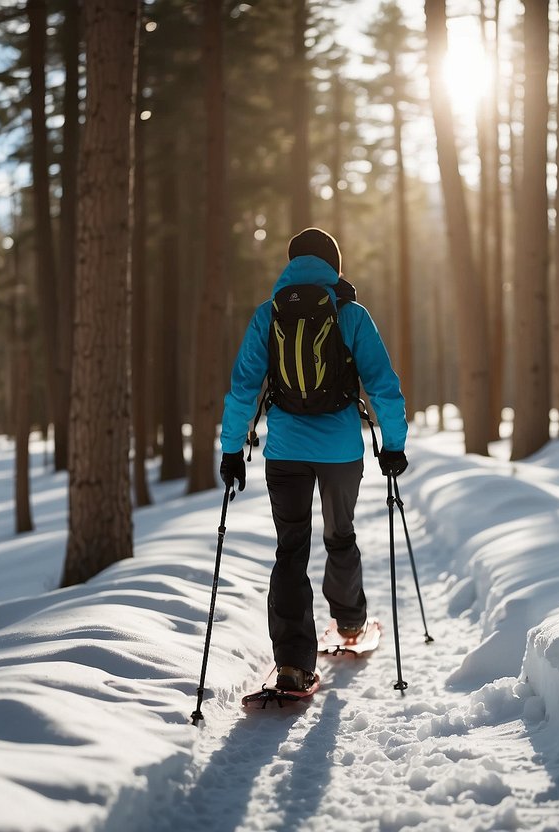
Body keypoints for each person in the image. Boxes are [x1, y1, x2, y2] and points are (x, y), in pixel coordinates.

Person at [219, 227, 408, 692]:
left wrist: (230, 448)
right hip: (342, 450)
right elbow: (382, 384)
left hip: (284, 451)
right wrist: (394, 443)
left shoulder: (269, 314)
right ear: (334, 266)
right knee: (339, 535)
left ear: (291, 264)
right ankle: (348, 625)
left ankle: (292, 663)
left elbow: (244, 386)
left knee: (291, 549)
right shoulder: (351, 314)